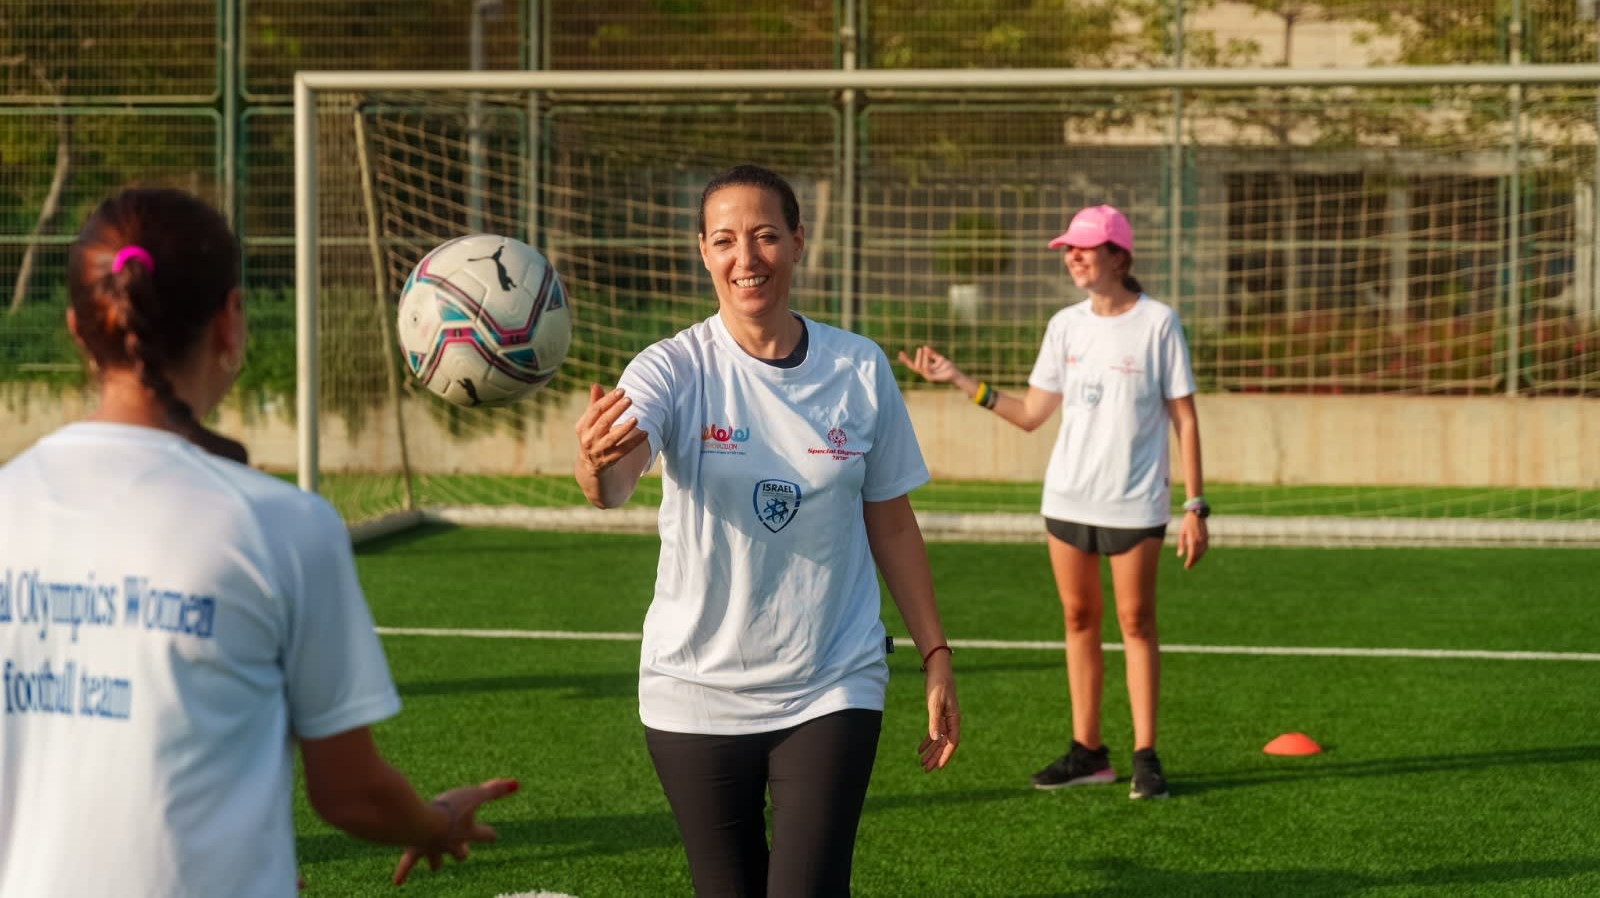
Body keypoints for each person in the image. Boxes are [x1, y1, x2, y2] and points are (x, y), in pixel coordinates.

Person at [0, 185, 518, 896]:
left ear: (75, 327)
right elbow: (350, 793)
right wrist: (434, 822)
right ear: (230, 321)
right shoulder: (280, 524)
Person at [574, 164, 960, 897]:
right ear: (703, 251)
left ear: (797, 243)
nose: (746, 258)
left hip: (831, 681)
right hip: (694, 687)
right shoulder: (672, 367)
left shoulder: (860, 367)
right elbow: (617, 482)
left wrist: (935, 651)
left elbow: (893, 522)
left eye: (764, 237)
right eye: (725, 240)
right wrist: (595, 466)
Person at [899, 203, 1208, 801]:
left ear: (1119, 256)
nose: (1073, 256)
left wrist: (1196, 506)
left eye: (1085, 247)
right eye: (1068, 247)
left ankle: (1146, 755)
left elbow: (1185, 420)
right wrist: (961, 381)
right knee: (1077, 621)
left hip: (1136, 505)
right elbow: (1032, 415)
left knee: (1136, 624)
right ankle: (1088, 751)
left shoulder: (1158, 323)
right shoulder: (1065, 325)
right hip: (1067, 501)